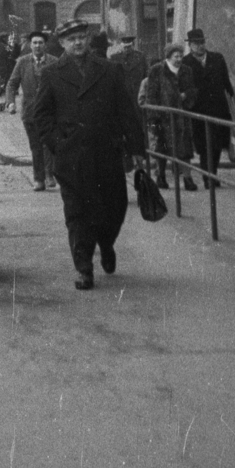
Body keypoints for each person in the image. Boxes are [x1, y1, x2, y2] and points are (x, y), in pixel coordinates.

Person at [34, 18, 146, 290]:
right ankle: (84, 268)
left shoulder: (109, 70)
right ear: (61, 43)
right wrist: (59, 144)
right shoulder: (52, 73)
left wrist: (136, 149)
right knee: (77, 214)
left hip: (107, 154)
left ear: (88, 38)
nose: (78, 42)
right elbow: (41, 116)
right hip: (71, 159)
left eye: (82, 37)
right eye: (71, 39)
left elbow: (127, 111)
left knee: (114, 209)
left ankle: (106, 244)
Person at [140, 44, 199, 191]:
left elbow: (192, 89)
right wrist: (153, 117)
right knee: (162, 148)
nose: (179, 59)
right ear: (168, 57)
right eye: (176, 56)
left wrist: (186, 95)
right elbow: (151, 95)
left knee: (185, 149)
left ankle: (187, 179)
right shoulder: (157, 70)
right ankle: (161, 177)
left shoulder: (186, 70)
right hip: (162, 117)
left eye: (180, 56)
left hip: (181, 116)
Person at [182, 28, 235, 186]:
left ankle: (213, 173)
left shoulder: (217, 58)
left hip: (218, 108)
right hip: (198, 110)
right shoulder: (186, 63)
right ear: (190, 45)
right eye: (196, 43)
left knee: (217, 144)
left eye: (202, 42)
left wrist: (231, 96)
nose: (200, 46)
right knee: (204, 145)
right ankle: (208, 177)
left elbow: (226, 81)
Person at [5, 31, 57, 190]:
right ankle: (38, 179)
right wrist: (10, 103)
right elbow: (12, 84)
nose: (37, 46)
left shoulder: (54, 62)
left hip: (50, 111)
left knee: (48, 144)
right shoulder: (22, 62)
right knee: (35, 145)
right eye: (34, 43)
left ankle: (49, 174)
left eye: (40, 42)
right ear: (30, 45)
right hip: (30, 111)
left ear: (45, 45)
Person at [109, 34, 149, 108]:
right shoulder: (115, 58)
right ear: (122, 46)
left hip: (137, 93)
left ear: (133, 45)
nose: (127, 49)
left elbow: (146, 76)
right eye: (125, 47)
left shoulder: (140, 57)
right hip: (122, 95)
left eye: (129, 47)